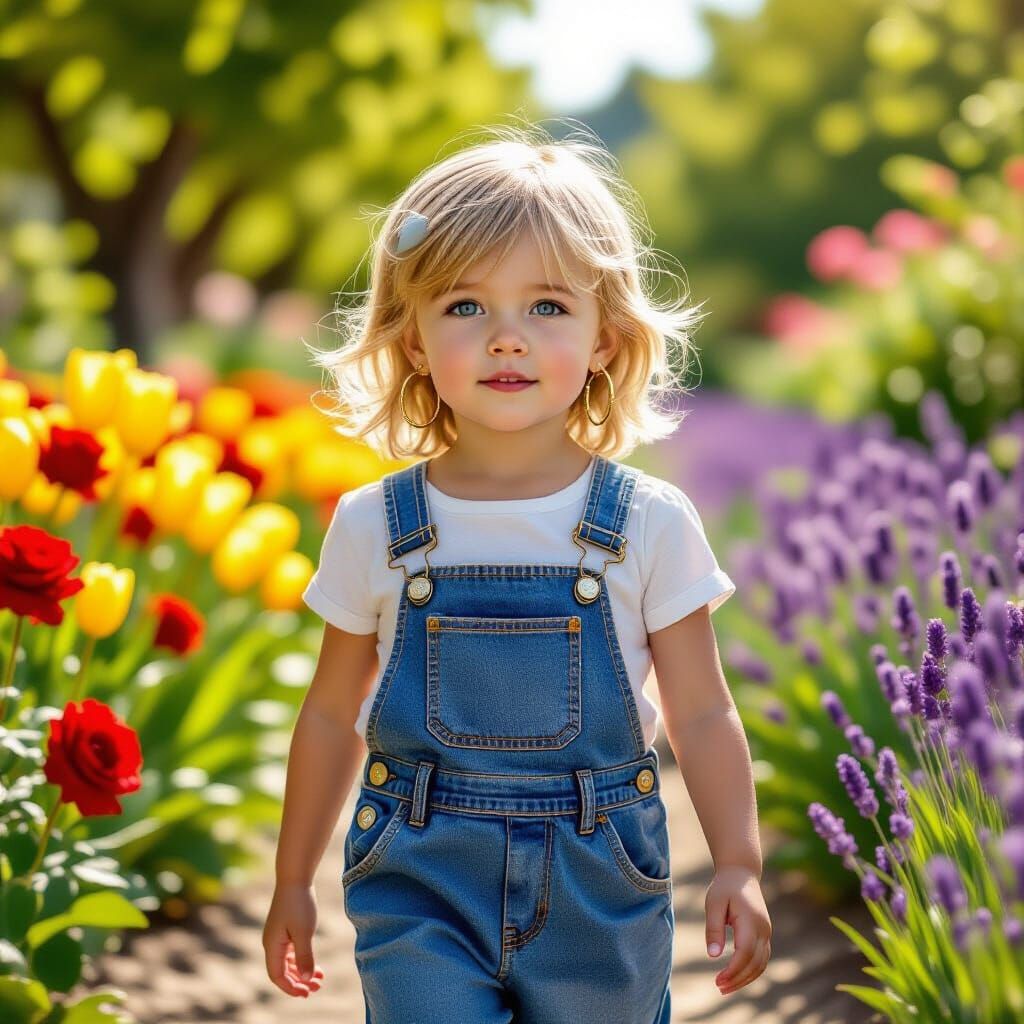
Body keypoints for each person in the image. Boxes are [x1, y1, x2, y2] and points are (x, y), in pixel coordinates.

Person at [263, 120, 771, 1021]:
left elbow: (700, 709)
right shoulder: (375, 524)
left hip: (599, 875)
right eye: (464, 307)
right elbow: (334, 711)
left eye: (547, 307)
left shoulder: (647, 524)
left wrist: (737, 859)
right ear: (413, 340)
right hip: (421, 870)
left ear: (606, 338)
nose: (506, 339)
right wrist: (292, 878)